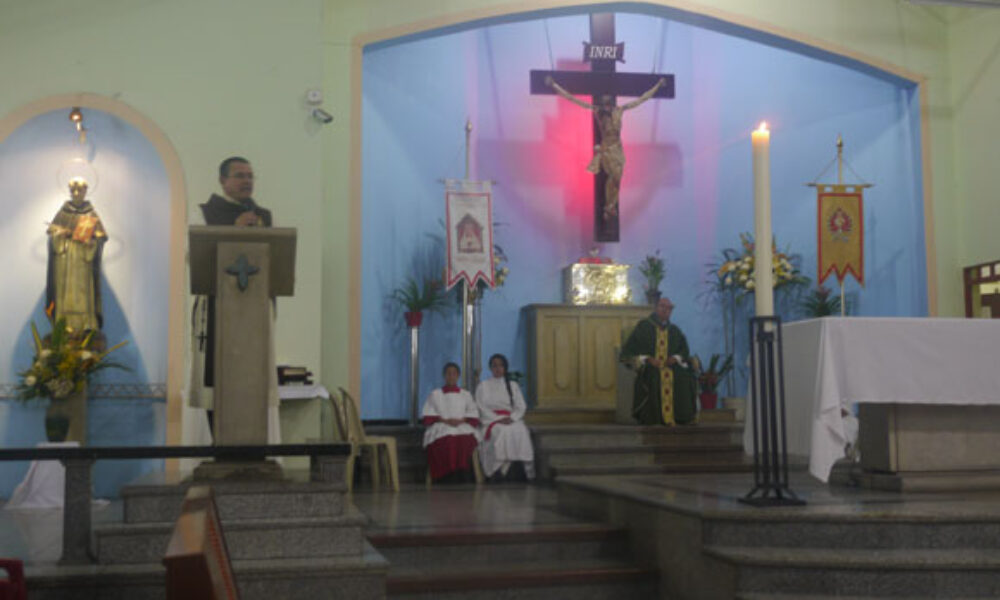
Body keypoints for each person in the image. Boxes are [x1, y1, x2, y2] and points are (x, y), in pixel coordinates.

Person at [189, 157, 278, 438]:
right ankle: (219, 445)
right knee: (217, 382)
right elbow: (195, 258)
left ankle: (253, 446)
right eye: (239, 175)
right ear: (222, 181)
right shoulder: (206, 213)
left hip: (255, 311)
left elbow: (274, 261)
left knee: (254, 380)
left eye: (251, 175)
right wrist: (234, 230)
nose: (247, 181)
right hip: (218, 309)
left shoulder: (263, 215)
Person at [546, 75, 667, 220]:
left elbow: (642, 99)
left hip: (618, 148)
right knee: (613, 177)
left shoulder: (620, 110)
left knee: (617, 179)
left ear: (612, 102)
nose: (607, 105)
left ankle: (610, 207)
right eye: (604, 102)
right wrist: (554, 85)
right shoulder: (597, 111)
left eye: (608, 102)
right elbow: (573, 99)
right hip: (607, 149)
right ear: (602, 103)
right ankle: (609, 207)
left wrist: (658, 86)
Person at [620, 297, 697, 426]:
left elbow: (684, 351)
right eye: (663, 307)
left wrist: (676, 358)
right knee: (655, 376)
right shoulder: (643, 326)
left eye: (669, 308)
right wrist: (648, 359)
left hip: (670, 366)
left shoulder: (675, 331)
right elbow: (630, 350)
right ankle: (654, 418)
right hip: (650, 366)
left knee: (683, 376)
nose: (666, 310)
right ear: (656, 308)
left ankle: (681, 417)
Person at [46, 178, 107, 334]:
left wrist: (91, 241)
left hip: (83, 260)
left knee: (83, 292)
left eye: (80, 190)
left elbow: (101, 236)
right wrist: (61, 234)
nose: (76, 194)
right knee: (64, 292)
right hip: (64, 259)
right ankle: (63, 324)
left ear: (86, 191)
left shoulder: (91, 213)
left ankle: (86, 323)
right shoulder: (63, 211)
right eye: (73, 190)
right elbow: (53, 233)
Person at [474, 354, 535, 482]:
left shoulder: (512, 385)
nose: (498, 368)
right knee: (501, 431)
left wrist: (512, 418)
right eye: (494, 365)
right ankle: (499, 470)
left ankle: (518, 470)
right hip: (492, 420)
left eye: (501, 365)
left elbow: (520, 406)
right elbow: (481, 407)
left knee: (521, 430)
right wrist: (497, 419)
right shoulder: (483, 386)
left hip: (510, 419)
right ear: (490, 368)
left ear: (505, 367)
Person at [422, 362, 481, 483]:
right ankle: (445, 475)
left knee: (465, 439)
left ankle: (462, 473)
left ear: (458, 376)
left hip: (462, 424)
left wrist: (463, 420)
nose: (451, 376)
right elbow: (429, 415)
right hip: (441, 424)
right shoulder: (435, 394)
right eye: (448, 373)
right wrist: (444, 420)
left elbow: (473, 413)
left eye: (454, 373)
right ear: (444, 376)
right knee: (445, 439)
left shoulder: (466, 394)